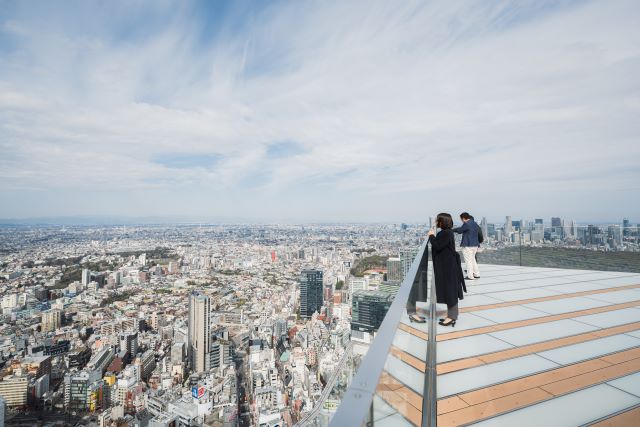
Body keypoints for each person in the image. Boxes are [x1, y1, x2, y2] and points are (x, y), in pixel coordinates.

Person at [428, 213, 466, 327]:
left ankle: (451, 318)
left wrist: (431, 236)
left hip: (448, 267)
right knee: (450, 290)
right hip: (447, 265)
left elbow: (438, 246)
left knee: (450, 291)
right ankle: (451, 316)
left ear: (442, 222)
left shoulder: (445, 233)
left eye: (437, 220)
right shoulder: (447, 232)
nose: (436, 222)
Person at [452, 212, 480, 280]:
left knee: (468, 261)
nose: (461, 220)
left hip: (468, 245)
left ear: (463, 218)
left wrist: (452, 230)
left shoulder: (466, 224)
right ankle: (476, 274)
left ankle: (470, 276)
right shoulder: (474, 223)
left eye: (461, 219)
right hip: (475, 245)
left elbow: (460, 231)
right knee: (473, 260)